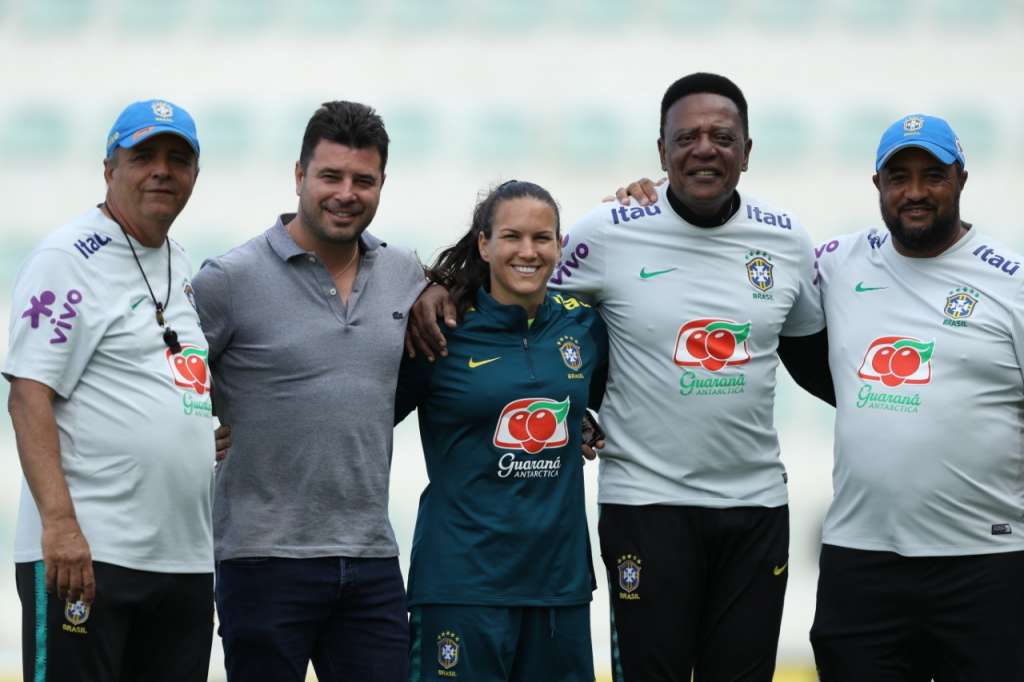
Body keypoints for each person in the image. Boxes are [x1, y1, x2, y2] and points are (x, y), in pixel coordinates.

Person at [409, 73, 833, 681]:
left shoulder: (787, 240)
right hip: (645, 503)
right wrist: (439, 287)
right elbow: (518, 281)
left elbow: (814, 357)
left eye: (721, 135)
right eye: (686, 136)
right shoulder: (607, 230)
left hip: (755, 505)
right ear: (661, 151)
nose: (704, 148)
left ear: (747, 149)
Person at [191, 100, 426, 682]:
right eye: (330, 176)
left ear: (381, 185)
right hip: (262, 558)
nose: (347, 193)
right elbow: (160, 379)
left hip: (372, 555)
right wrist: (195, 431)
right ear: (299, 177)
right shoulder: (228, 279)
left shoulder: (406, 274)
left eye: (363, 180)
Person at [4, 99, 225, 681]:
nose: (162, 170)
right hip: (88, 556)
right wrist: (60, 526)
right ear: (109, 169)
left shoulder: (177, 261)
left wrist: (199, 436)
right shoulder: (66, 257)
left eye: (179, 159)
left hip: (182, 560)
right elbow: (28, 396)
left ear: (195, 178)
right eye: (143, 155)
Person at [809, 114, 1024, 680]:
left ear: (961, 180)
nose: (916, 192)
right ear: (876, 185)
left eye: (933, 175)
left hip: (987, 559)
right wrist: (649, 203)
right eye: (898, 176)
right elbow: (740, 260)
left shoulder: (1012, 283)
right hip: (863, 559)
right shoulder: (837, 261)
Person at [396, 180, 608, 682]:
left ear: (560, 246)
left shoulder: (582, 327)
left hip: (559, 584)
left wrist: (582, 420)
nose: (528, 251)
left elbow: (596, 398)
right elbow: (367, 418)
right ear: (485, 244)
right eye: (512, 236)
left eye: (543, 238)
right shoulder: (440, 329)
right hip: (461, 583)